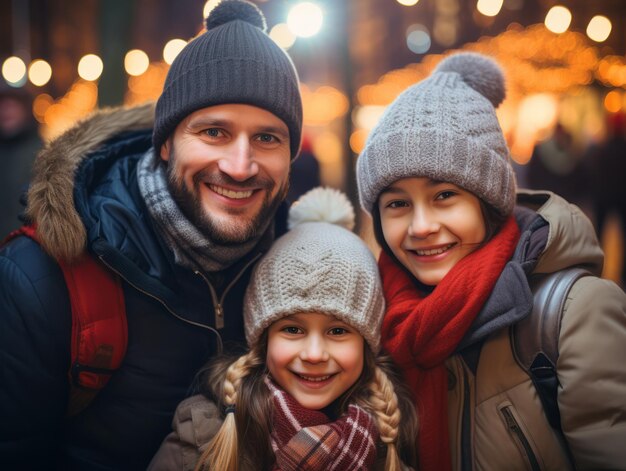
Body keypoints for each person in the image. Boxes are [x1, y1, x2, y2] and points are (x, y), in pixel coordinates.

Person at [0, 1, 302, 469]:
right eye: (214, 132)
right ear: (165, 142)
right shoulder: (42, 279)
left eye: (268, 138)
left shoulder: (302, 266)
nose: (240, 167)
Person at [356, 52, 626, 471]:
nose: (421, 226)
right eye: (397, 203)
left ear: (489, 204)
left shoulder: (573, 313)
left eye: (444, 195)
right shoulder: (372, 320)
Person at [148, 187, 418, 471]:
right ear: (263, 341)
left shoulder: (389, 447)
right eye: (292, 330)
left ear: (366, 343)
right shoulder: (202, 437)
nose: (314, 354)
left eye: (338, 332)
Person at [0, 83, 42, 236]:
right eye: (2, 106)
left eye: (12, 106)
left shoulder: (42, 152)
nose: (6, 112)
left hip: (26, 243)